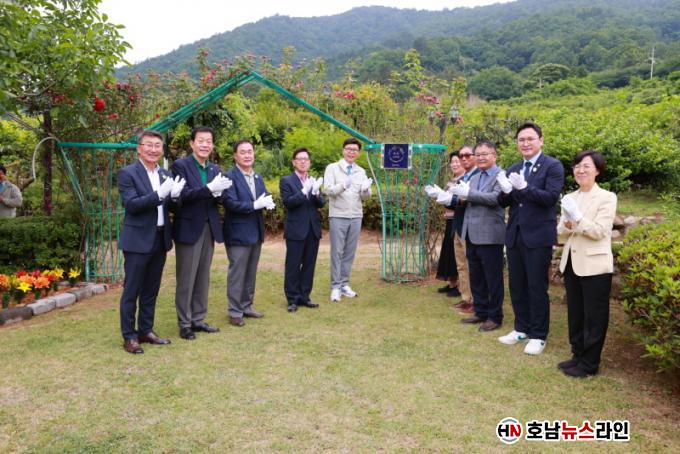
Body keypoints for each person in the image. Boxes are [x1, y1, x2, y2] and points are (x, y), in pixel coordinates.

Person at [497, 122, 564, 355]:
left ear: (541, 140)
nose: (525, 143)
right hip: (515, 234)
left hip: (538, 235)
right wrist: (505, 190)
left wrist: (524, 187)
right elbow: (504, 202)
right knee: (516, 285)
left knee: (536, 286)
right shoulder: (514, 167)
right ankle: (521, 328)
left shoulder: (552, 165)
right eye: (521, 140)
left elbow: (550, 198)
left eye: (530, 139)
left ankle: (538, 334)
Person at [117, 130, 184, 354]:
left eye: (158, 146)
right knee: (132, 290)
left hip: (160, 237)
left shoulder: (165, 174)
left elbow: (172, 207)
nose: (153, 149)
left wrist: (175, 196)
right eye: (149, 145)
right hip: (137, 240)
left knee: (151, 289)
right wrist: (158, 195)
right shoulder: (128, 173)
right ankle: (129, 336)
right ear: (139, 148)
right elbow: (132, 205)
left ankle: (146, 330)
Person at [557, 151, 617, 378]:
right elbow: (561, 232)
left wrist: (578, 219)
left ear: (597, 170)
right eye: (577, 166)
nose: (580, 170)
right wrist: (567, 222)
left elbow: (600, 231)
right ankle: (578, 354)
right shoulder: (570, 196)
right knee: (576, 313)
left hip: (595, 265)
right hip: (572, 262)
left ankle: (590, 363)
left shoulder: (607, 197)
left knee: (594, 316)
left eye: (586, 166)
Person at [171, 126, 231, 340]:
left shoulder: (214, 168)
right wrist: (208, 189)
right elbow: (182, 195)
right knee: (186, 278)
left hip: (209, 227)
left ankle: (198, 319)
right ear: (192, 143)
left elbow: (219, 198)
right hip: (189, 227)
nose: (205, 144)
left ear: (212, 145)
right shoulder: (180, 166)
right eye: (201, 140)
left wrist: (220, 192)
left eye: (209, 141)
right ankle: (185, 323)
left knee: (203, 276)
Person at [448, 142, 506, 332]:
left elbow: (495, 199)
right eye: (478, 154)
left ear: (494, 155)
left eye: (484, 154)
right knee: (477, 276)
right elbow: (467, 202)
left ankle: (495, 316)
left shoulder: (501, 175)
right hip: (471, 233)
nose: (480, 157)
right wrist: (453, 196)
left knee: (492, 278)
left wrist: (469, 193)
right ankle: (481, 311)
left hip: (490, 235)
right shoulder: (475, 177)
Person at [222, 139, 275, 326]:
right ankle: (235, 311)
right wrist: (254, 205)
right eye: (242, 152)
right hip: (238, 232)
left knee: (250, 272)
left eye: (250, 151)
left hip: (255, 231)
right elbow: (230, 203)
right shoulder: (229, 177)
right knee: (237, 273)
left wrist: (268, 202)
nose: (247, 155)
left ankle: (247, 305)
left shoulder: (257, 177)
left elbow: (264, 196)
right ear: (235, 155)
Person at [425, 145, 479, 313]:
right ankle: (466, 298)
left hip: (471, 226)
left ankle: (475, 300)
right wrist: (443, 196)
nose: (463, 159)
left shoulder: (477, 175)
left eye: (467, 155)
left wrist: (449, 198)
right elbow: (456, 202)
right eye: (460, 157)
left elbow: (470, 200)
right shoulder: (464, 176)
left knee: (470, 265)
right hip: (458, 224)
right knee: (461, 265)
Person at [323, 137, 373, 302]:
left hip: (356, 216)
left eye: (355, 150)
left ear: (358, 153)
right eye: (349, 149)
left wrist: (366, 190)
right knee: (337, 252)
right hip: (338, 215)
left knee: (349, 252)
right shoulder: (332, 168)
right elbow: (328, 190)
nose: (351, 152)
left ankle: (344, 284)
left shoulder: (361, 171)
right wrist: (343, 185)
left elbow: (365, 197)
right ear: (343, 150)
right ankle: (335, 287)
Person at [280, 148, 325, 313]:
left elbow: (321, 204)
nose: (303, 162)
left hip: (313, 229)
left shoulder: (313, 180)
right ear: (294, 162)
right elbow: (288, 202)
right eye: (299, 159)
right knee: (293, 265)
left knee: (309, 265)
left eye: (306, 159)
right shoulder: (286, 181)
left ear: (309, 162)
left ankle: (305, 296)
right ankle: (292, 299)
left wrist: (316, 192)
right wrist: (303, 191)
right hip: (296, 229)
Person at [435, 151, 464, 297]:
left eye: (457, 161)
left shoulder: (465, 180)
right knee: (448, 252)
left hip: (459, 221)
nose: (455, 164)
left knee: (457, 254)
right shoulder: (451, 181)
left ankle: (460, 286)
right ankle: (452, 283)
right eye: (452, 162)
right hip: (449, 221)